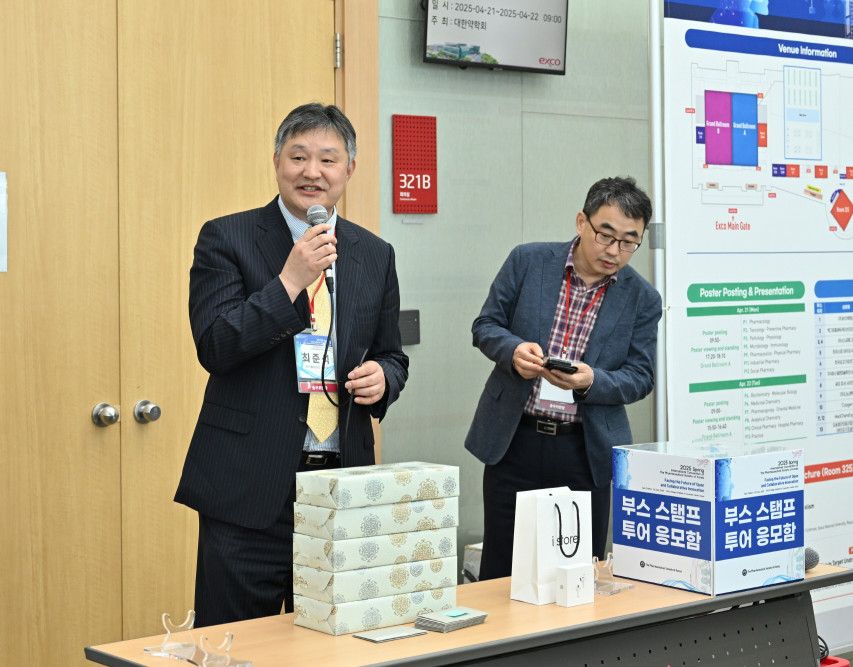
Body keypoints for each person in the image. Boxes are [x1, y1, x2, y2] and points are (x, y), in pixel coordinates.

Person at [175, 103, 409, 626]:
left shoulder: (375, 253)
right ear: (277, 162)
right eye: (298, 156)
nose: (312, 171)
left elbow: (392, 354)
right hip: (249, 489)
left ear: (349, 169)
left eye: (328, 159)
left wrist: (384, 378)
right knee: (236, 647)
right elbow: (215, 345)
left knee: (332, 645)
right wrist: (289, 282)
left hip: (339, 488)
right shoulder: (227, 238)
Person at [465, 176, 662, 579]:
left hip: (584, 450)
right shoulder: (528, 261)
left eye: (629, 242)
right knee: (502, 568)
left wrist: (592, 381)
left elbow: (641, 376)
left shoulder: (642, 298)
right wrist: (513, 351)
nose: (614, 251)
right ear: (581, 222)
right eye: (606, 235)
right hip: (515, 439)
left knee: (575, 575)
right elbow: (485, 326)